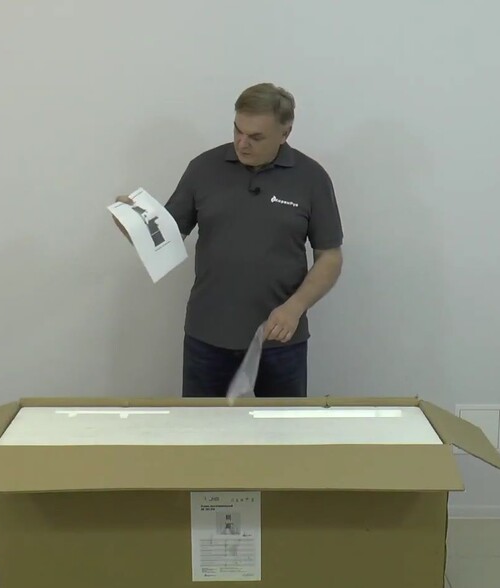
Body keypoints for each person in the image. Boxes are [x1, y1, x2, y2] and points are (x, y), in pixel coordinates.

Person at [115, 82, 343, 398]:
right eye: (237, 130)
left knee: (282, 429)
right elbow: (167, 240)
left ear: (285, 133)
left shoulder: (311, 178)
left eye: (256, 137)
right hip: (207, 340)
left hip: (279, 340)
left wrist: (295, 307)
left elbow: (330, 256)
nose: (242, 143)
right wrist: (133, 226)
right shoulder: (203, 169)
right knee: (201, 428)